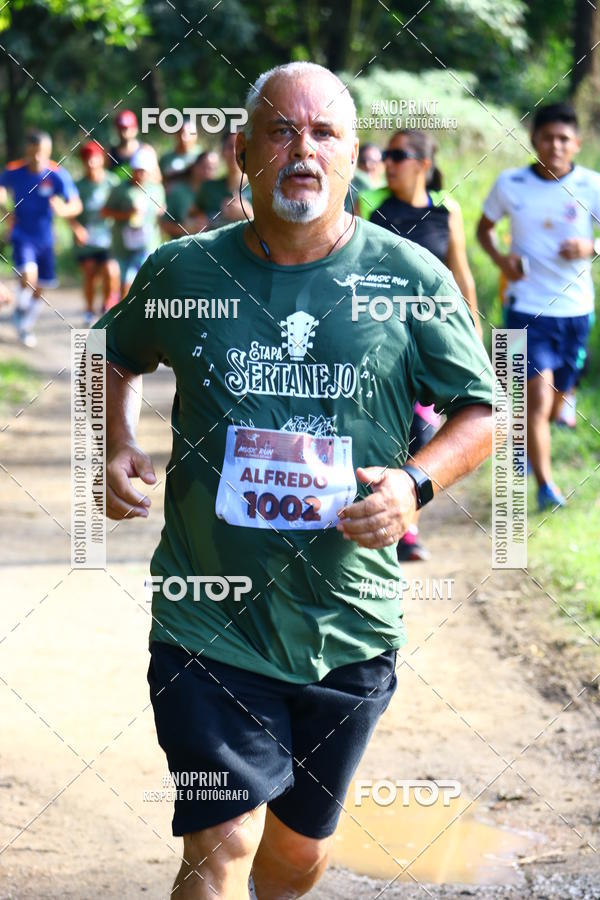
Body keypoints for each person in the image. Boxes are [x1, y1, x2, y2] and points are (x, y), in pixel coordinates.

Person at [95, 61, 494, 899]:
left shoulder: (410, 280)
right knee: (222, 838)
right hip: (208, 616)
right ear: (243, 151)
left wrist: (412, 487)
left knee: (297, 857)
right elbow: (113, 357)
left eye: (324, 133)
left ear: (357, 159)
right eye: (280, 131)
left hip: (347, 621)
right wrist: (117, 449)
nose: (301, 149)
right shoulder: (183, 272)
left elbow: (480, 411)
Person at [359, 129, 482, 561]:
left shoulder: (447, 209)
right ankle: (392, 523)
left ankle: (406, 519)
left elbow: (460, 273)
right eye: (387, 155)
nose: (387, 162)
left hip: (429, 341)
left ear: (423, 165)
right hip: (377, 337)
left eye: (398, 155)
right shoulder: (370, 202)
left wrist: (473, 330)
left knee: (422, 433)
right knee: (393, 427)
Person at [477, 102, 599, 510]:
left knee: (559, 397)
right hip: (525, 308)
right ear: (534, 140)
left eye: (564, 139)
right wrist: (500, 261)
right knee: (537, 399)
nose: (556, 145)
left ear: (576, 144)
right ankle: (547, 488)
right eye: (547, 137)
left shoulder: (592, 186)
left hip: (577, 310)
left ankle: (525, 445)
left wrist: (591, 246)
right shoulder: (511, 184)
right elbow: (483, 229)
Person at [0, 130, 82, 347]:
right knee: (29, 274)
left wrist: (63, 210)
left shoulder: (57, 174)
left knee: (42, 286)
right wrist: (3, 203)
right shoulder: (14, 170)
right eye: (32, 152)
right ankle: (19, 308)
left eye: (41, 152)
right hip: (22, 234)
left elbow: (75, 204)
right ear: (27, 150)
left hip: (46, 238)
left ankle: (25, 326)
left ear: (48, 151)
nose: (36, 157)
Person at [102, 147, 166, 298]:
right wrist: (127, 214)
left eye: (144, 171)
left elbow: (160, 212)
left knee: (144, 283)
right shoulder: (120, 190)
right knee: (125, 284)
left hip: (147, 245)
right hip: (123, 246)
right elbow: (105, 212)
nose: (140, 174)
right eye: (137, 170)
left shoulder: (156, 189)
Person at [68, 141, 120, 321]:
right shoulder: (78, 185)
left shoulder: (112, 182)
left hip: (108, 239)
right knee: (89, 272)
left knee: (111, 271)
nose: (91, 163)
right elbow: (69, 211)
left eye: (94, 159)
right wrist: (76, 228)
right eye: (87, 159)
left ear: (101, 159)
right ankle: (89, 310)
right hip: (86, 240)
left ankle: (107, 308)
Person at [189, 130, 252, 227]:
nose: (235, 152)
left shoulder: (261, 190)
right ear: (222, 152)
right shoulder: (208, 188)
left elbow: (273, 232)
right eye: (230, 147)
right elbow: (190, 217)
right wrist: (196, 224)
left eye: (241, 146)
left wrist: (249, 215)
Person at [160, 150, 219, 239]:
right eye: (204, 167)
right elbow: (164, 224)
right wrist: (185, 229)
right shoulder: (177, 192)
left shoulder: (218, 193)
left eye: (212, 168)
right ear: (194, 166)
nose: (207, 172)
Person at [107, 109, 161, 183]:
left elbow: (157, 180)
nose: (124, 133)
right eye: (121, 128)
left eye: (127, 128)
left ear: (135, 128)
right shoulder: (109, 154)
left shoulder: (146, 150)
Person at [159, 118, 200, 185]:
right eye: (181, 132)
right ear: (176, 134)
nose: (184, 138)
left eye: (189, 134)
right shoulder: (166, 158)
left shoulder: (200, 157)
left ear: (196, 135)